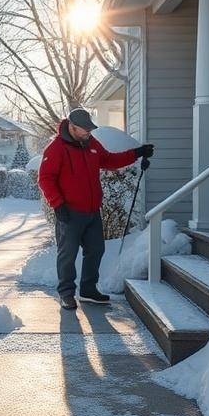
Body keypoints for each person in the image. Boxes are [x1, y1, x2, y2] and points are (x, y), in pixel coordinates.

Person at [37, 108, 153, 310]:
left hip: (92, 211)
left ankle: (88, 290)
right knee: (68, 254)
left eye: (90, 129)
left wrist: (137, 153)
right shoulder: (56, 148)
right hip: (69, 212)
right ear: (72, 127)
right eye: (84, 130)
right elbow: (45, 178)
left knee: (96, 250)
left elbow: (108, 160)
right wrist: (57, 204)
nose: (88, 133)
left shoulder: (91, 144)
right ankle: (66, 294)